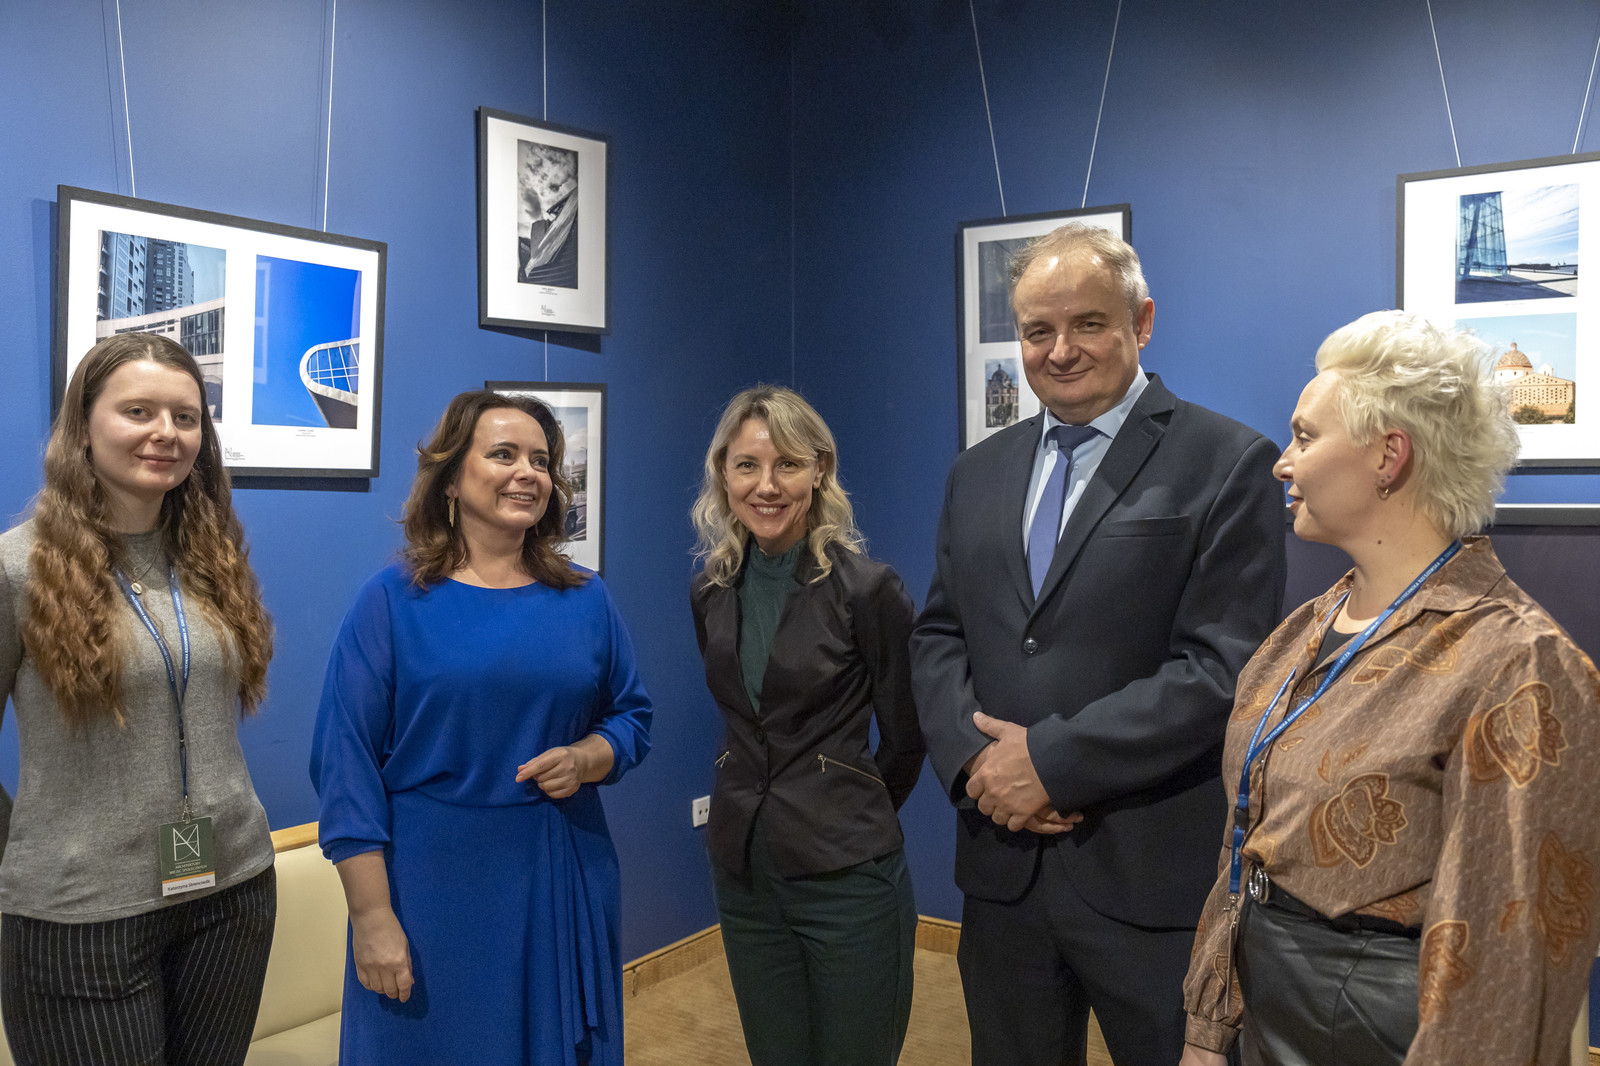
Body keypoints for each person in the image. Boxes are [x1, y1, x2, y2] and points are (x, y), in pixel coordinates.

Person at [1180, 311, 1600, 1066]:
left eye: (1305, 437)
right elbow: (1244, 846)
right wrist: (1209, 1030)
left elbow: (1510, 951)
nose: (1282, 463)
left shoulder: (1518, 663)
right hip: (1272, 1015)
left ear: (1389, 455)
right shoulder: (1300, 634)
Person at [910, 223, 1286, 1065]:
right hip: (1003, 866)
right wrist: (976, 766)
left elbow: (1221, 668)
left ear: (1141, 322)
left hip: (1148, 877)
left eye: (1088, 323)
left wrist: (1051, 761)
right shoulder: (977, 471)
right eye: (1038, 330)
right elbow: (939, 634)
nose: (1060, 350)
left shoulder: (1228, 461)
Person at [310, 391, 651, 1066]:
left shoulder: (587, 596)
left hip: (561, 870)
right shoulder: (390, 601)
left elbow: (632, 718)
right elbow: (346, 766)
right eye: (503, 454)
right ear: (450, 479)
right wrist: (371, 917)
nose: (527, 473)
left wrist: (588, 757)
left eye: (540, 461)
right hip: (428, 887)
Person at [0, 332, 276, 1065]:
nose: (166, 433)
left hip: (232, 892)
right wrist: (35, 854)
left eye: (186, 417)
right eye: (138, 411)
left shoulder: (213, 557)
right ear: (83, 426)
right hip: (82, 916)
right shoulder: (16, 567)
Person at [689, 385, 925, 1066]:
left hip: (846, 877)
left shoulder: (867, 589)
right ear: (723, 473)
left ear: (820, 470)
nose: (766, 486)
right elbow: (742, 718)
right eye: (747, 466)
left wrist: (844, 809)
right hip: (744, 875)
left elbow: (907, 735)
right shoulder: (710, 590)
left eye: (787, 465)